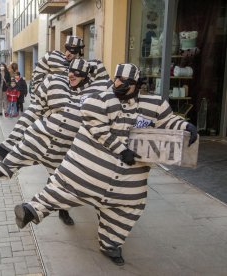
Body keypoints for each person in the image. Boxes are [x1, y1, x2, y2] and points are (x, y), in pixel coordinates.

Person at [13, 63, 198, 266]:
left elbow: (168, 121)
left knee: (129, 206)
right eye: (117, 79)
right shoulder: (99, 100)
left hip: (128, 179)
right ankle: (31, 210)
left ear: (136, 84)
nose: (118, 84)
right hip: (89, 171)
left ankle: (110, 244)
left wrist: (185, 126)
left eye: (125, 82)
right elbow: (98, 129)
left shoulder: (153, 104)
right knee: (64, 187)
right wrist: (122, 150)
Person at [0, 59, 112, 226]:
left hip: (67, 148)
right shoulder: (60, 84)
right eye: (70, 70)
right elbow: (36, 106)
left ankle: (61, 212)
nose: (71, 74)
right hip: (45, 136)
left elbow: (107, 85)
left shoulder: (94, 92)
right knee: (24, 147)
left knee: (61, 181)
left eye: (77, 72)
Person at [0, 35, 90, 158]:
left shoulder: (86, 66)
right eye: (66, 49)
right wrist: (37, 94)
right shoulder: (53, 56)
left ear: (80, 51)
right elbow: (37, 72)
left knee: (43, 137)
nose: (68, 53)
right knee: (28, 117)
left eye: (72, 51)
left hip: (70, 106)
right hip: (50, 100)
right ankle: (6, 147)